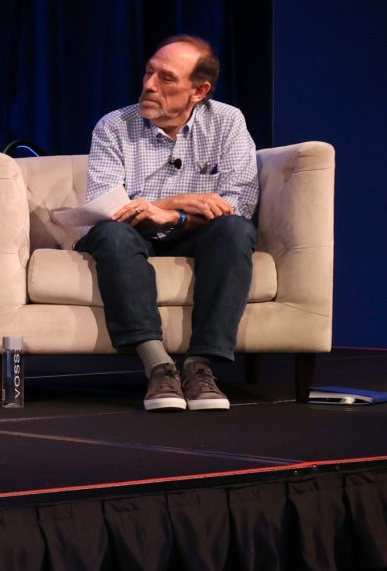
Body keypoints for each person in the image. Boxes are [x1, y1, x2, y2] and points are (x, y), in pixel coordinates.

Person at [78, 35, 260, 412]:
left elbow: (239, 202)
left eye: (166, 78)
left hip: (193, 233)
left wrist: (176, 217)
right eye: (148, 72)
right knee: (112, 235)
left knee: (236, 230)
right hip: (130, 233)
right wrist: (174, 202)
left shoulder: (227, 122)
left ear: (199, 90)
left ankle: (200, 366)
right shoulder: (114, 126)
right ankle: (158, 365)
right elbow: (109, 206)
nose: (149, 85)